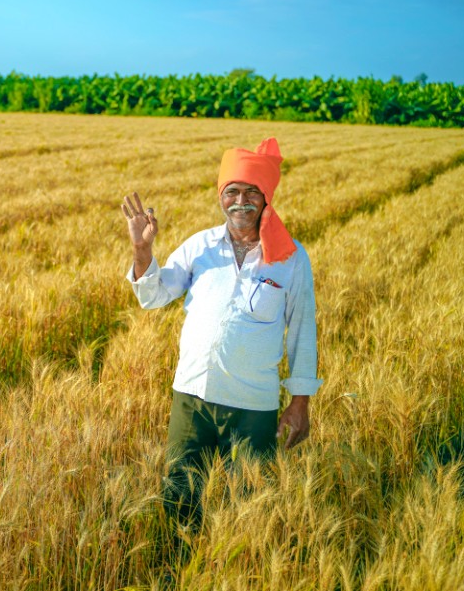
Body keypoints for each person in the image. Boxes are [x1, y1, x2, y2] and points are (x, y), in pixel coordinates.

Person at [121, 138, 321, 466]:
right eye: (232, 192)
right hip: (192, 396)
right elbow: (153, 296)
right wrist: (141, 250)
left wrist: (301, 403)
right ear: (220, 197)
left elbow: (302, 332)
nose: (240, 202)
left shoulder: (291, 258)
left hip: (253, 406)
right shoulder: (200, 245)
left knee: (247, 504)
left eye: (251, 192)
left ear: (266, 197)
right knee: (181, 496)